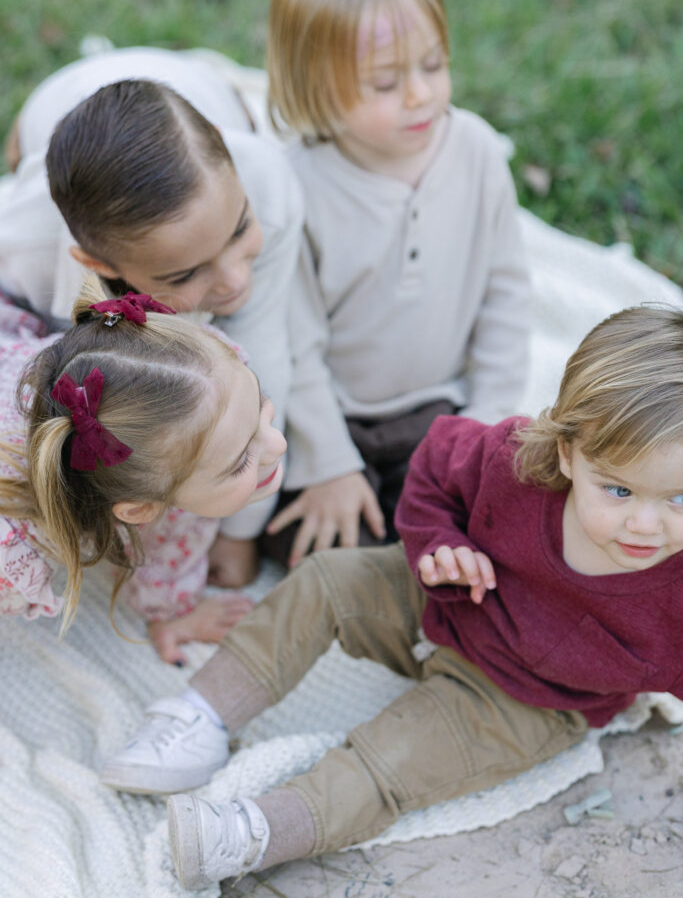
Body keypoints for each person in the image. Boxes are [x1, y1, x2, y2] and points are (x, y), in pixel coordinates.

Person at [98, 303, 683, 888]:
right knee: (328, 582)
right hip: (450, 600)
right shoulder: (516, 462)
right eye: (617, 489)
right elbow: (432, 469)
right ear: (567, 452)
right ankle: (201, 714)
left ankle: (252, 832)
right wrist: (439, 544)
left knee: (395, 758)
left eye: (678, 499)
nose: (645, 525)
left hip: (525, 699)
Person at [264, 0, 531, 565]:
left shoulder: (475, 153)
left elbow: (506, 294)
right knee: (319, 542)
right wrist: (329, 461)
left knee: (510, 525)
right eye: (385, 83)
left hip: (446, 408)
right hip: (337, 417)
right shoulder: (294, 187)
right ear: (315, 85)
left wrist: (488, 421)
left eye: (433, 65)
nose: (419, 94)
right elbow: (292, 341)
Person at [0, 68, 303, 585]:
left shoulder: (268, 183)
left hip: (191, 88)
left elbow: (268, 352)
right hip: (58, 105)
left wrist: (240, 531)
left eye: (239, 231)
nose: (234, 281)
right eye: (184, 273)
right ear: (97, 264)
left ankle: (223, 84)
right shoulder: (24, 251)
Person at [0, 284, 286, 663]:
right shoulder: (15, 549)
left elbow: (176, 525)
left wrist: (169, 608)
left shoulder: (194, 376)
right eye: (240, 461)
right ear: (138, 510)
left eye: (262, 404)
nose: (278, 443)